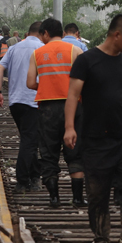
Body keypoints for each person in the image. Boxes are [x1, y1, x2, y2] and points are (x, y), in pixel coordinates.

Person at [65, 13, 122, 243]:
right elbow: (72, 95)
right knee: (97, 192)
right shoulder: (87, 61)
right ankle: (101, 242)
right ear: (117, 35)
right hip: (95, 139)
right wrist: (70, 127)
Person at [27, 17, 85, 208]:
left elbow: (29, 83)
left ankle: (54, 198)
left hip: (47, 108)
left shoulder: (38, 53)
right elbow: (85, 81)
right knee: (75, 151)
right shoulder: (76, 51)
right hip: (74, 106)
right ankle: (77, 198)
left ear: (45, 33)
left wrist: (46, 85)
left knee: (48, 152)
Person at [0, 21, 43, 193]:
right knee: (30, 142)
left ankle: (35, 176)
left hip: (15, 101)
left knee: (29, 140)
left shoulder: (15, 48)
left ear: (27, 33)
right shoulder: (42, 48)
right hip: (33, 101)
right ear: (42, 33)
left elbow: (0, 67)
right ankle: (22, 181)